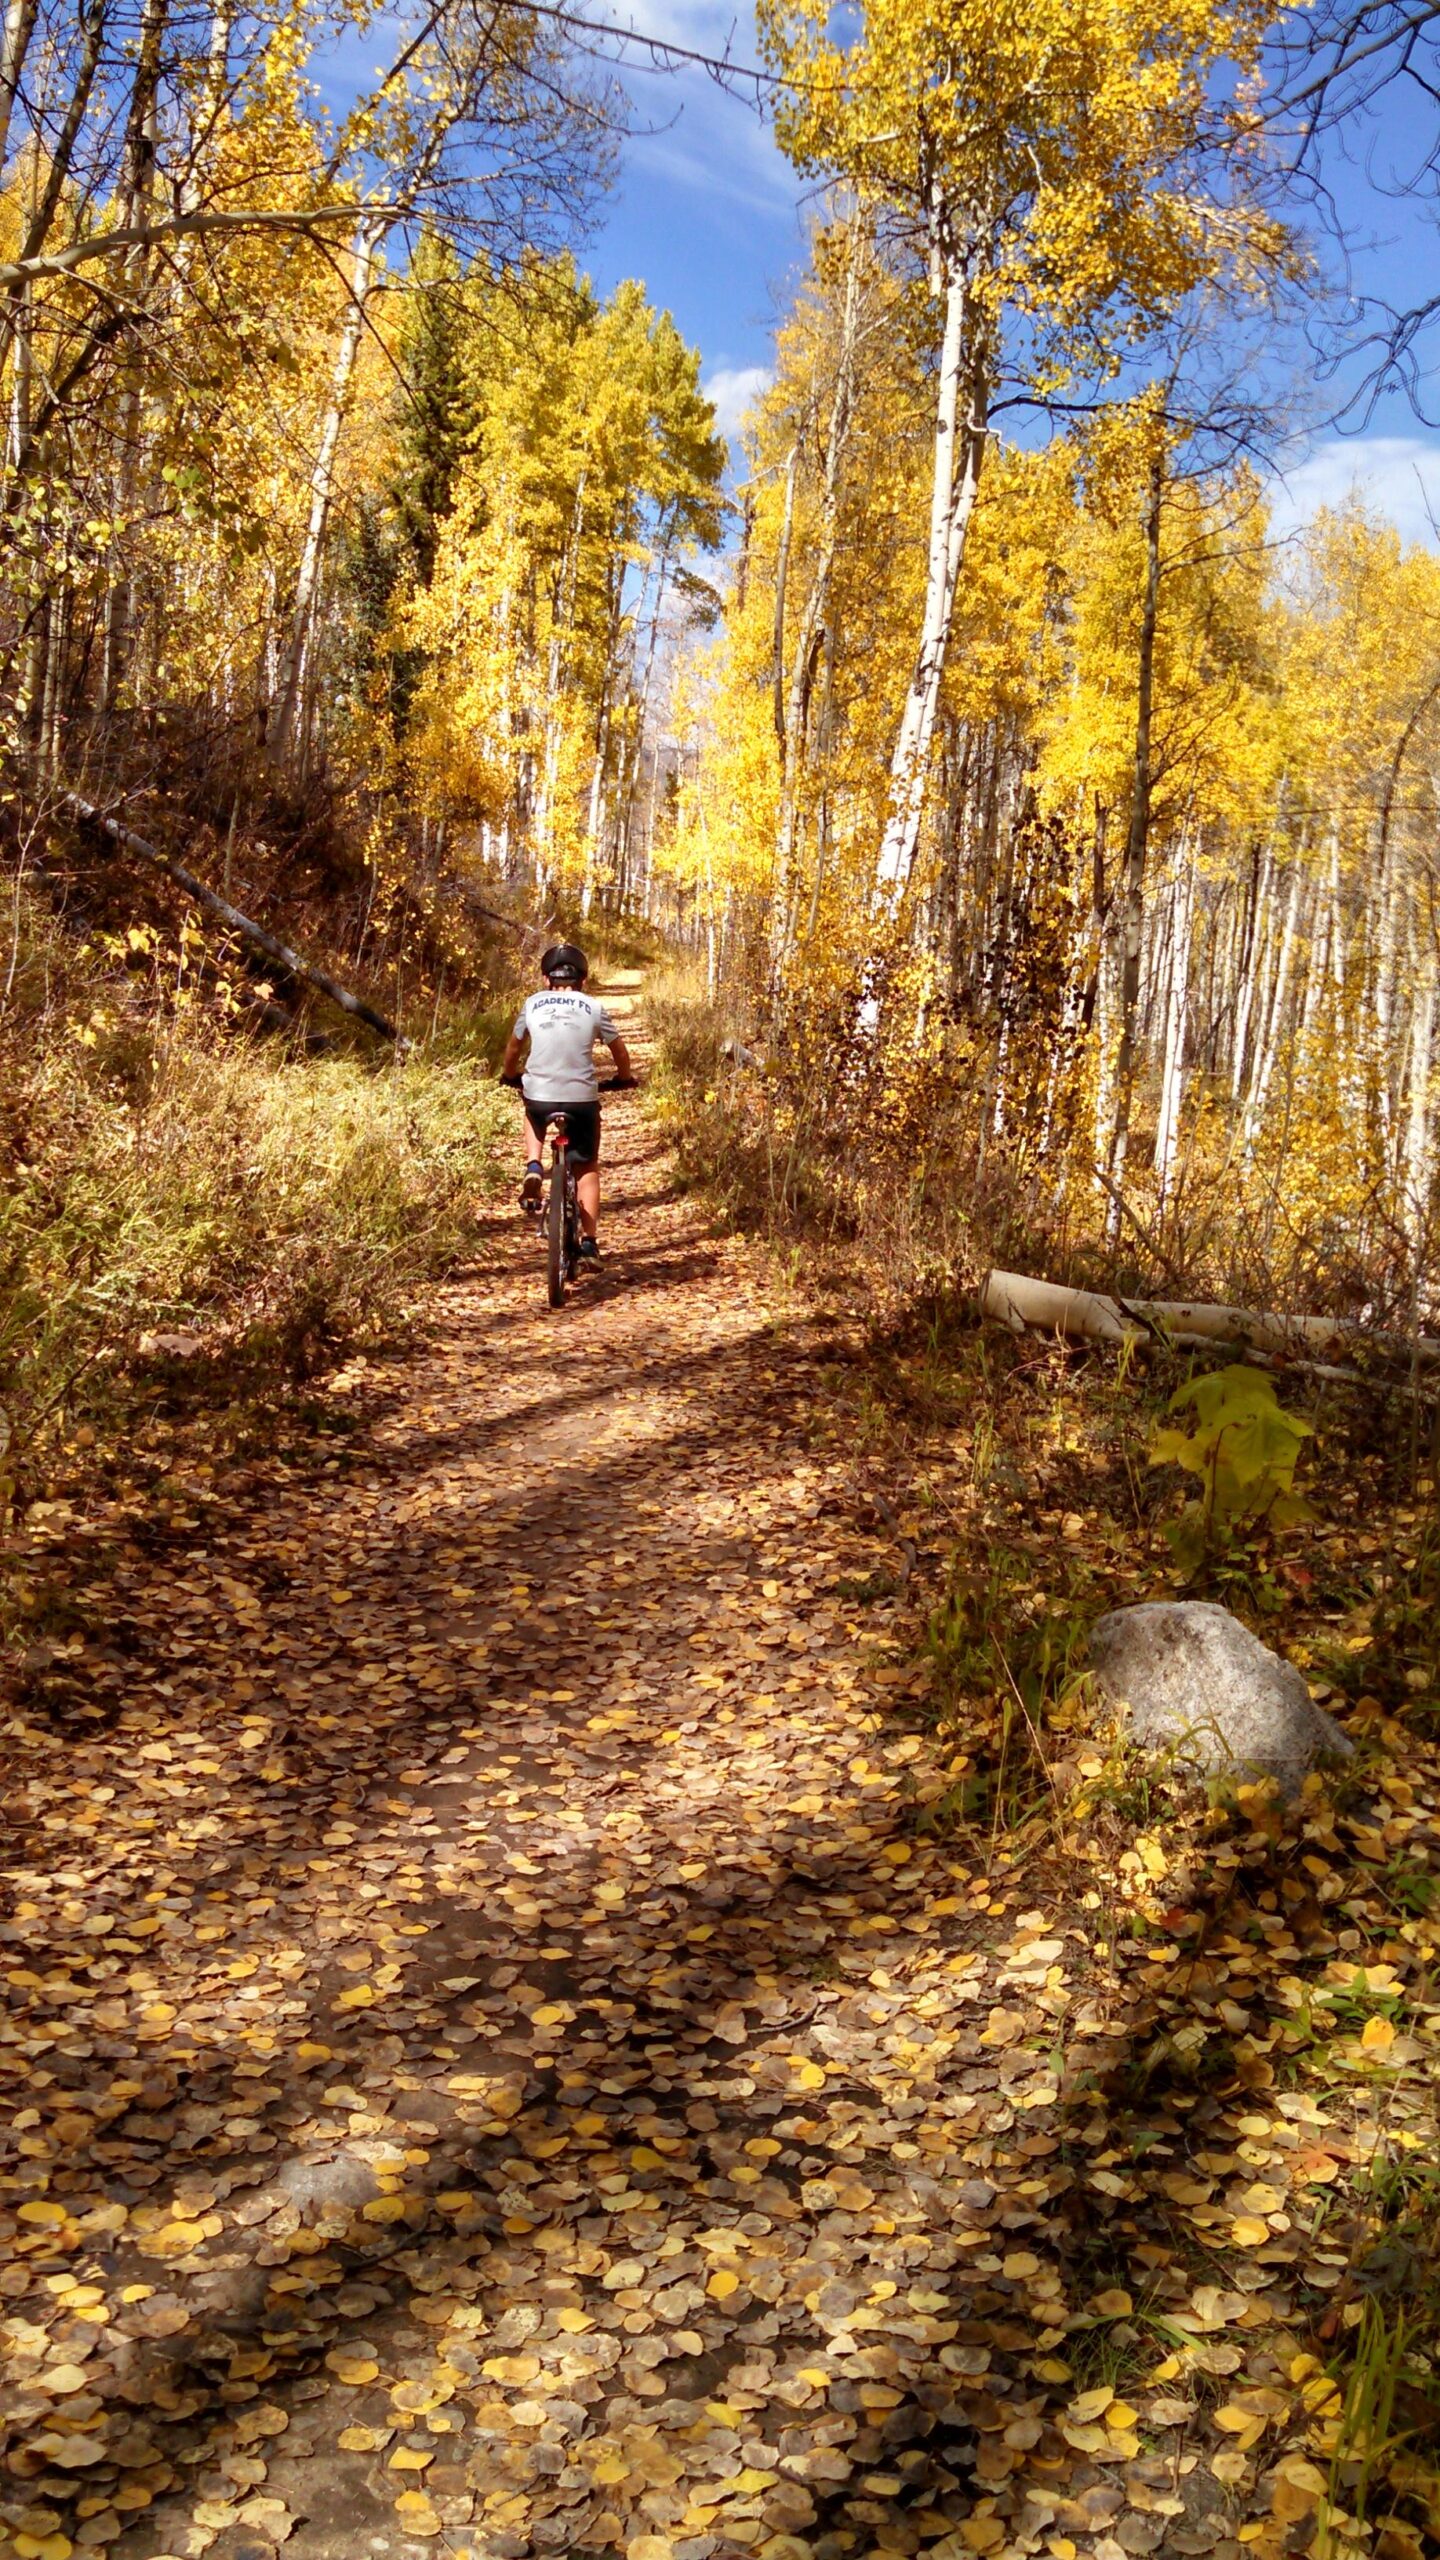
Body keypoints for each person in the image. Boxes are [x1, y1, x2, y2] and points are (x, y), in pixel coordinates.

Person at [500, 943, 634, 1263]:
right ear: (582, 981)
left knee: (532, 1111)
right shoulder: (594, 1007)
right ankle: (589, 1242)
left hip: (540, 1095)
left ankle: (534, 1165)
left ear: (547, 979)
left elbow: (514, 1048)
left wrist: (509, 1075)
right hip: (581, 1100)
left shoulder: (532, 1004)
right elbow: (620, 1053)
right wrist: (623, 1078)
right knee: (586, 1166)